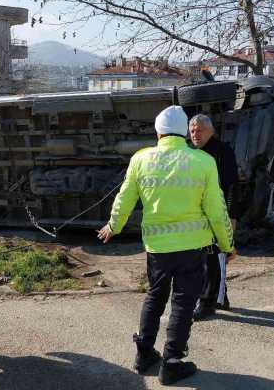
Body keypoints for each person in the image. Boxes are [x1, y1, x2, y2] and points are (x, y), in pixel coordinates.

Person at [97, 106, 234, 385]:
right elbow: (217, 210)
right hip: (192, 248)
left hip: (157, 248)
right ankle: (172, 362)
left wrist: (113, 226)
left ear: (158, 131)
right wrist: (226, 243)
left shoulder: (140, 159)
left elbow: (124, 198)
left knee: (154, 297)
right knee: (183, 303)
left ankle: (144, 353)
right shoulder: (203, 161)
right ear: (184, 131)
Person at [188, 114, 238, 321]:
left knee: (212, 257)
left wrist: (232, 216)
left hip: (217, 213)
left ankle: (207, 303)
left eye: (199, 130)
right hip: (195, 214)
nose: (195, 134)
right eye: (192, 131)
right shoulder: (189, 151)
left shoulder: (222, 152)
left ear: (211, 131)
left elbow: (232, 186)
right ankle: (220, 296)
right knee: (208, 258)